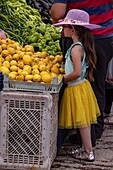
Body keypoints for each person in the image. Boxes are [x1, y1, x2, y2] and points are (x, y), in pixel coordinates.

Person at [51, 0, 113, 141]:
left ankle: (82, 132)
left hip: (79, 36)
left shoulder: (75, 46)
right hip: (105, 36)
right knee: (97, 85)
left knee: (77, 87)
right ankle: (94, 130)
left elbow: (57, 12)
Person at [53, 9, 100, 162]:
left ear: (72, 30)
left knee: (83, 123)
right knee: (82, 123)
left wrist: (62, 78)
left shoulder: (75, 49)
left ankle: (88, 152)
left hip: (76, 87)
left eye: (65, 27)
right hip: (80, 87)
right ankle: (86, 149)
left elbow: (77, 72)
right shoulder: (78, 46)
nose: (62, 30)